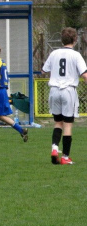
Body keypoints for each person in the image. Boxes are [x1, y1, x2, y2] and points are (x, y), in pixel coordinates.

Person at [42, 27, 87, 165]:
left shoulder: (54, 53)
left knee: (57, 123)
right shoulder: (76, 55)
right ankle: (65, 157)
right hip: (68, 90)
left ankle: (55, 148)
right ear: (75, 39)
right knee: (67, 125)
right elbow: (84, 74)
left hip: (54, 90)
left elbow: (44, 71)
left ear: (62, 39)